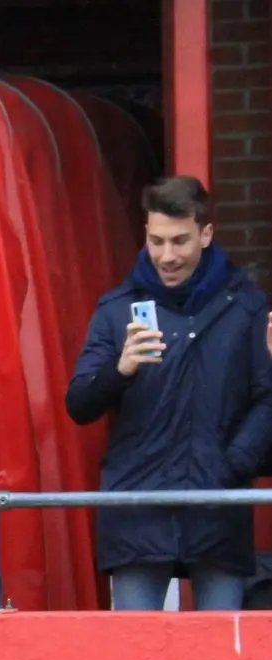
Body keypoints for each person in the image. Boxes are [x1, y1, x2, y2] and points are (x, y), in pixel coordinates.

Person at [67, 175, 272, 611]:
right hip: (137, 511)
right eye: (156, 241)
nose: (167, 256)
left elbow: (267, 398)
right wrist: (119, 369)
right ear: (145, 234)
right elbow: (79, 404)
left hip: (218, 508)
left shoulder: (248, 307)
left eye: (180, 241)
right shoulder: (116, 308)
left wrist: (232, 462)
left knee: (220, 659)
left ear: (206, 234)